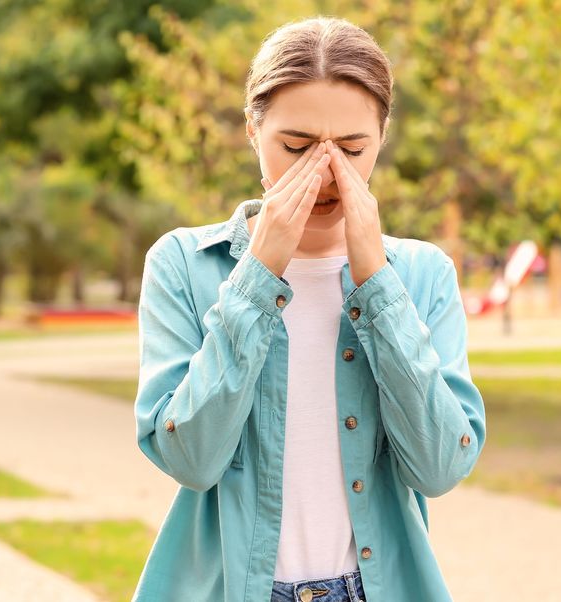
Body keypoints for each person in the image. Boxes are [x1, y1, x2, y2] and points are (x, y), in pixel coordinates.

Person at [131, 15, 486, 602]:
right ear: (252, 128)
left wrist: (377, 285)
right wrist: (257, 279)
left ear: (383, 136)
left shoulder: (423, 275)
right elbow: (190, 459)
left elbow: (441, 467)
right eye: (296, 146)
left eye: (352, 148)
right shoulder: (182, 264)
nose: (325, 172)